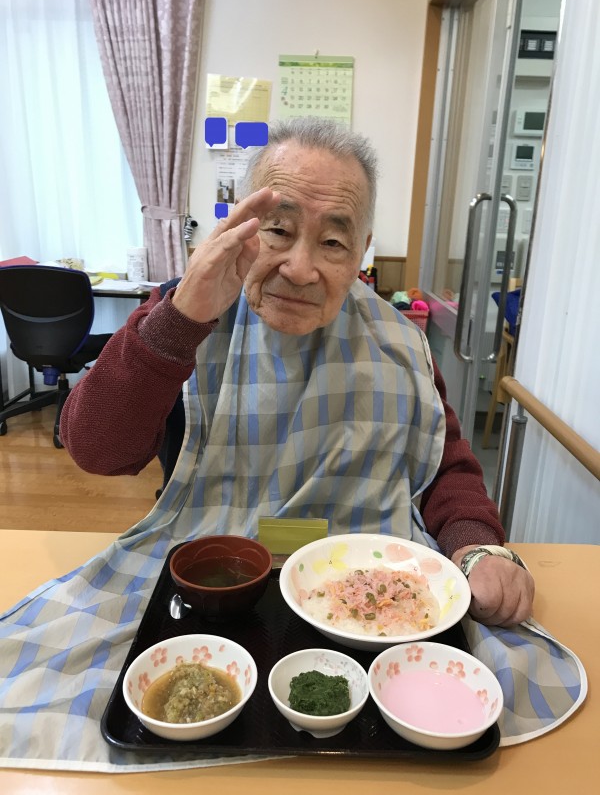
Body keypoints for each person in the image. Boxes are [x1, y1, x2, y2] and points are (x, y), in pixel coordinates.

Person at [60, 117, 534, 627]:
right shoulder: (182, 312)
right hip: (212, 575)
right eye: (278, 231)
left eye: (332, 243)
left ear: (361, 252)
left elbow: (444, 466)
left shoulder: (398, 343)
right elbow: (97, 451)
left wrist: (477, 547)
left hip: (367, 588)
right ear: (240, 227)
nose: (300, 269)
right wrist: (181, 320)